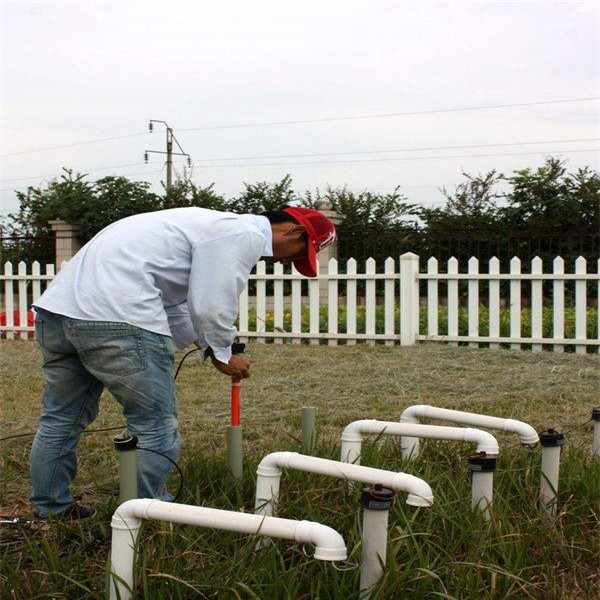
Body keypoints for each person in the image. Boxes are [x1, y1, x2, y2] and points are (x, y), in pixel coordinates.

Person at [30, 205, 336, 519]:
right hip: (119, 317)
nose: (286, 261)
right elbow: (211, 303)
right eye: (298, 253)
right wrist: (222, 353)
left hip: (56, 315)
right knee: (154, 426)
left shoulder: (194, 224)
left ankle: (51, 510)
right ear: (294, 231)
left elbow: (177, 306)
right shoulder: (240, 234)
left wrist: (208, 346)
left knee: (61, 419)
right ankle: (147, 517)